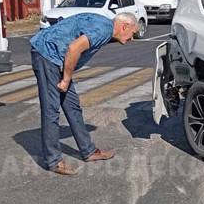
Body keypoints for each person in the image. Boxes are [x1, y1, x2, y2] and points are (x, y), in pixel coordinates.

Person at [29, 12, 139, 175]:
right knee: (51, 110)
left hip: (59, 59)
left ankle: (88, 151)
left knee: (72, 107)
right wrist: (66, 79)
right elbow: (74, 48)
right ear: (125, 26)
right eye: (132, 34)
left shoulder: (105, 26)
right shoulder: (104, 30)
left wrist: (66, 75)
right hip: (46, 54)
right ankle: (53, 160)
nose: (132, 38)